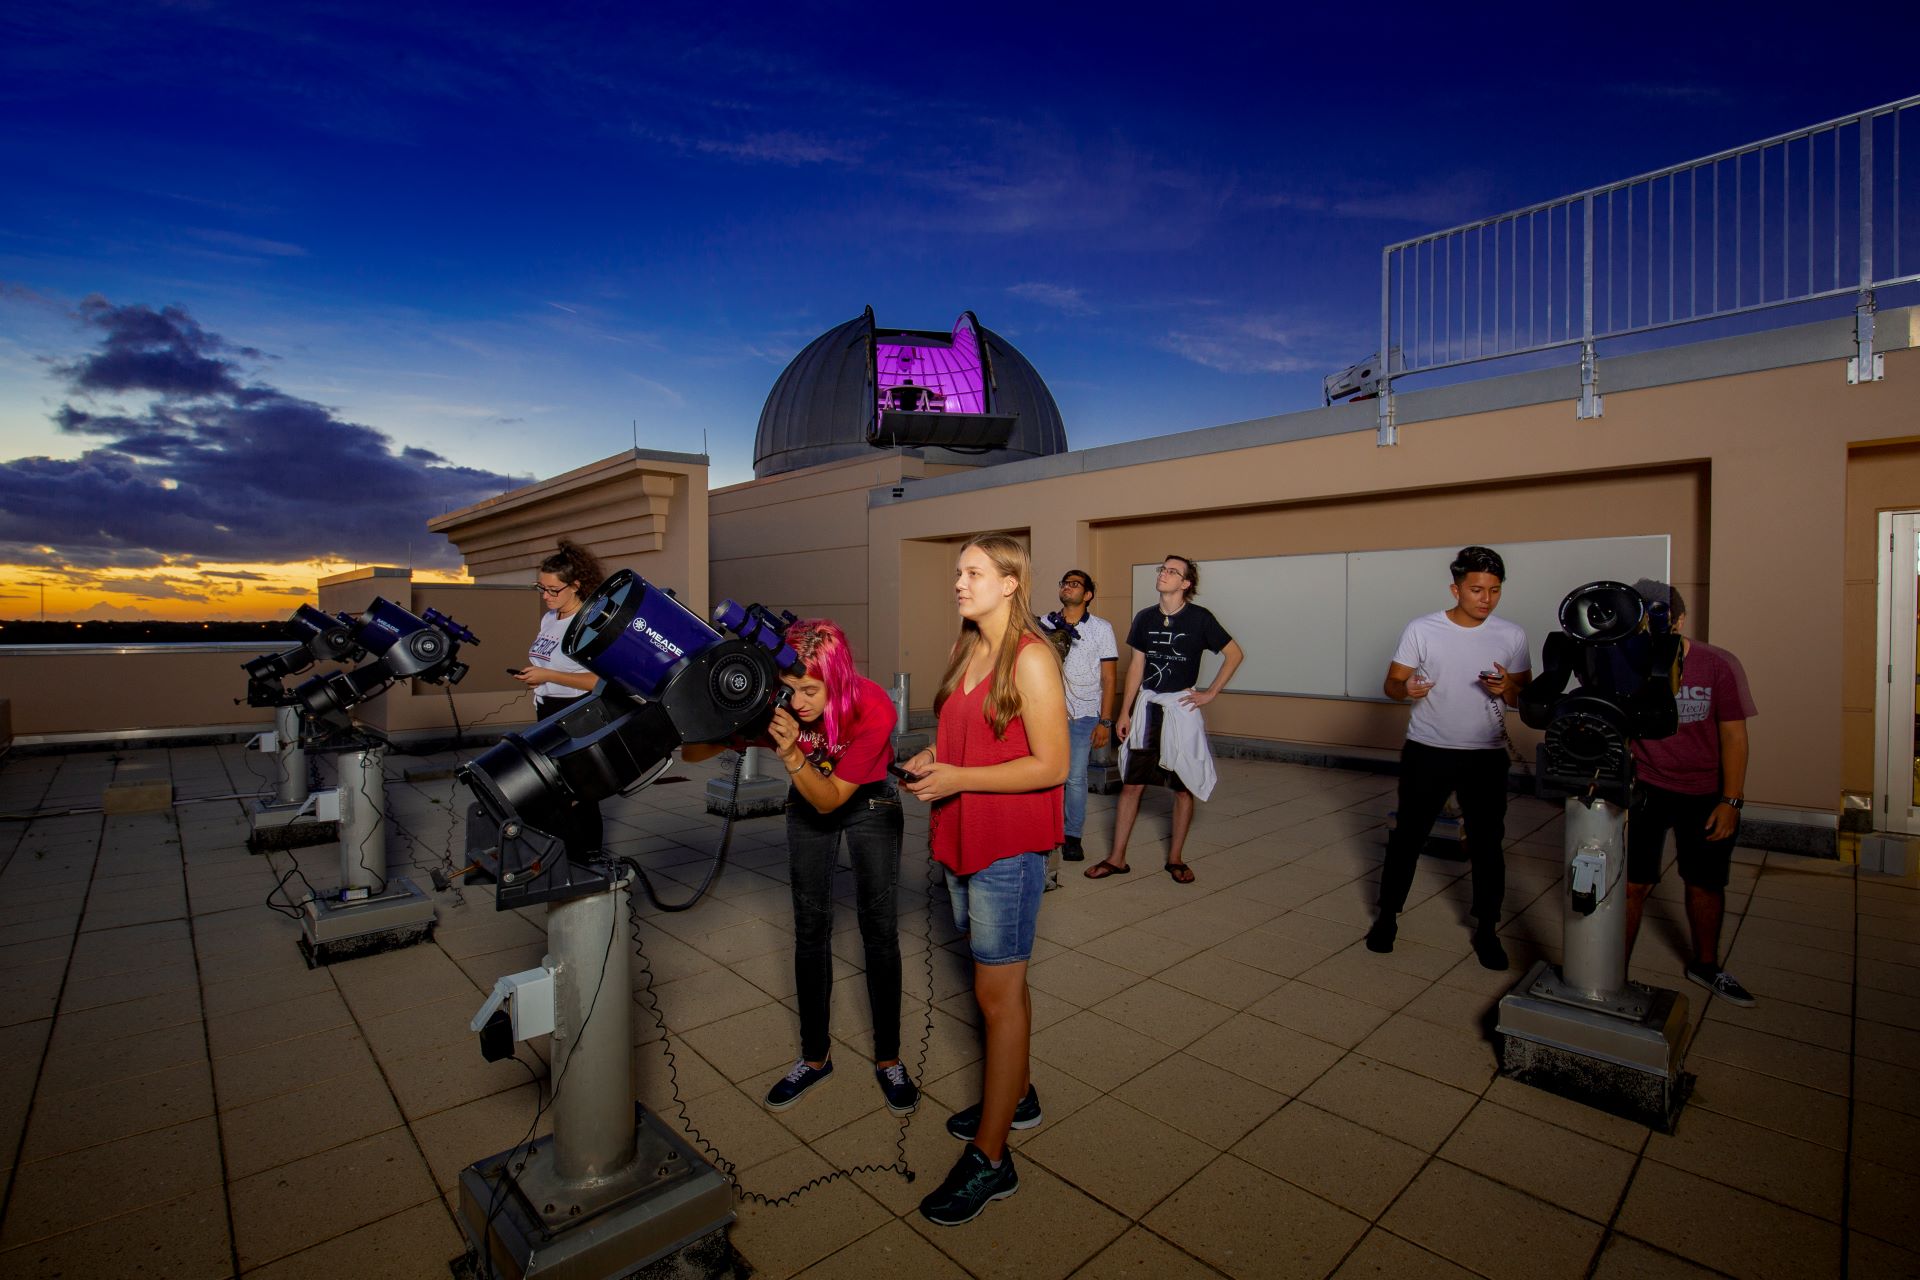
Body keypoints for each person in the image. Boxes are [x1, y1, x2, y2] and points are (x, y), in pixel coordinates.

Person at [901, 534, 1068, 1226]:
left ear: (1010, 582)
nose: (959, 583)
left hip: (1008, 848)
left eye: (973, 573)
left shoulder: (1031, 659)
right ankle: (1018, 1095)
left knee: (995, 996)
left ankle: (992, 1158)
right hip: (960, 838)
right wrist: (933, 757)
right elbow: (966, 733)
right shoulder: (965, 649)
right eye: (958, 572)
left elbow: (1052, 765)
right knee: (1004, 983)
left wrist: (959, 777)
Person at [685, 620, 919, 1113]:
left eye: (812, 690)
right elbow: (692, 750)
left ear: (838, 678)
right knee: (810, 928)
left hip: (867, 802)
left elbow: (833, 799)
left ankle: (889, 1058)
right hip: (807, 802)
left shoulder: (873, 705)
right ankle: (815, 1058)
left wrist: (791, 751)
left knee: (879, 931)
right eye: (789, 690)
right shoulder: (778, 705)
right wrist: (713, 708)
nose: (799, 702)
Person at [1367, 545, 1531, 969]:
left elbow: (1524, 696)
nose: (1486, 599)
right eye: (1477, 589)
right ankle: (1387, 917)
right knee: (1408, 837)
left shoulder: (1511, 635)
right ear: (1455, 588)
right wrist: (1408, 691)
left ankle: (1488, 928)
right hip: (1428, 750)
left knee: (1487, 844)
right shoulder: (1423, 629)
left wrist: (1505, 691)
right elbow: (1392, 684)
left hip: (1486, 756)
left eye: (1494, 591)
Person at [1625, 582, 1759, 1006]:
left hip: (1704, 792)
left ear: (1679, 621)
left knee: (1704, 883)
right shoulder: (1626, 665)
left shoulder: (1717, 664)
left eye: (1658, 621)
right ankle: (1613, 973)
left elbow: (1734, 737)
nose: (1648, 633)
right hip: (1646, 786)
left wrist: (1731, 801)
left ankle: (1706, 965)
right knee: (1631, 884)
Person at [1084, 555, 1243, 885]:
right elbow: (1138, 668)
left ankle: (1175, 858)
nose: (1164, 574)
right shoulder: (1145, 618)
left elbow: (1234, 653)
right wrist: (1125, 711)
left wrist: (1210, 693)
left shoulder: (1200, 619)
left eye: (1173, 571)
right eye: (1163, 569)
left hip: (1180, 708)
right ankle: (1117, 858)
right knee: (1131, 783)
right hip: (1147, 707)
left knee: (1183, 787)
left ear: (1185, 584)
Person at [512, 540, 606, 857]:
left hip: (576, 713)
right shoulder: (550, 619)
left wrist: (549, 676)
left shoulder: (589, 623)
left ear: (576, 585)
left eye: (553, 590)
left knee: (579, 791)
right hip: (547, 710)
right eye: (542, 588)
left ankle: (589, 857)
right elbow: (547, 660)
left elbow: (599, 681)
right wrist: (537, 677)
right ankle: (564, 857)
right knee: (554, 789)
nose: (546, 596)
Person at [1038, 570, 1118, 870]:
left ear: (1088, 595)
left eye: (1075, 584)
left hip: (1084, 714)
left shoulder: (1101, 629)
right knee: (1045, 775)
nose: (1067, 587)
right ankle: (1047, 832)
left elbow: (1109, 679)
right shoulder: (1044, 624)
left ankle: (1072, 837)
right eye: (1064, 583)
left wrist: (1105, 721)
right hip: (1046, 713)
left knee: (1074, 777)